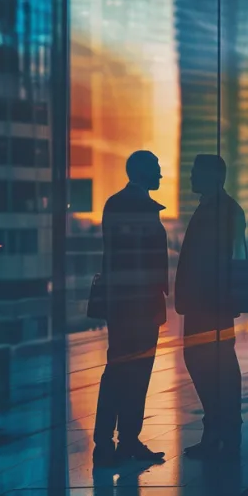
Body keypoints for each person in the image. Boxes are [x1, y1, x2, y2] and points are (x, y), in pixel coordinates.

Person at [92, 150, 169, 466]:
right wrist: (155, 301)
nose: (160, 175)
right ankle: (123, 442)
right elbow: (146, 262)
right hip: (139, 306)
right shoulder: (140, 208)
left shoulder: (115, 204)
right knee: (134, 373)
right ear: (143, 172)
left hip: (122, 305)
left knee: (118, 370)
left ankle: (109, 443)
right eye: (156, 169)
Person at [175, 153, 246, 459]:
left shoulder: (223, 209)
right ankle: (220, 428)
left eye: (196, 171)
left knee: (213, 363)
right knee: (209, 362)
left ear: (214, 176)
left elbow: (223, 258)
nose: (191, 176)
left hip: (210, 302)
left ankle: (222, 429)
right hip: (205, 301)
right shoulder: (215, 207)